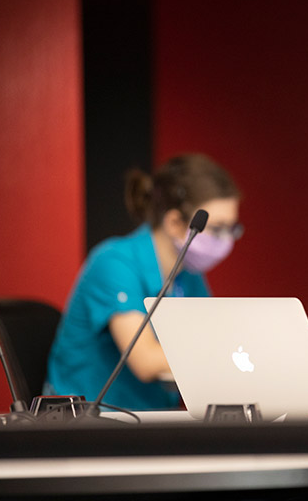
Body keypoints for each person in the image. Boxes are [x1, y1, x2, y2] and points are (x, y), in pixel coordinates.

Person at [45, 153, 242, 410]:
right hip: (87, 423)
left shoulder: (190, 276)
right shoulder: (114, 263)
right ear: (173, 223)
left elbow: (215, 339)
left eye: (232, 228)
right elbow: (146, 361)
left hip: (147, 420)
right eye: (217, 229)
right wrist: (238, 356)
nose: (226, 240)